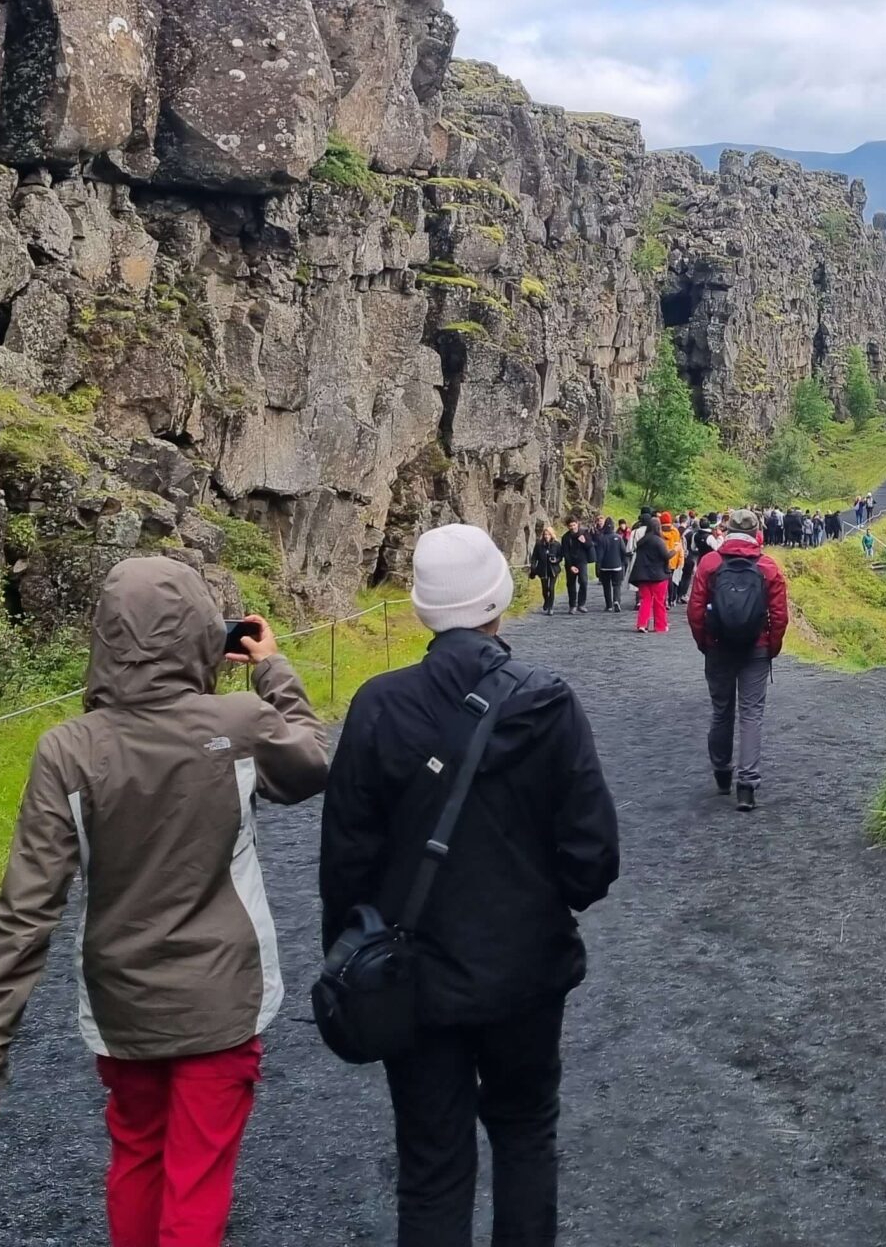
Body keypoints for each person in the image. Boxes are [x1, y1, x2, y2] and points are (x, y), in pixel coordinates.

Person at [0, 557, 330, 1247]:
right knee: (197, 1175)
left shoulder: (66, 750)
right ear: (199, 634)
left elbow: (26, 909)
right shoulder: (243, 720)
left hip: (121, 1002)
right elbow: (312, 762)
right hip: (224, 996)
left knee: (137, 1155)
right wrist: (272, 669)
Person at [320, 524, 621, 1247]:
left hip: (414, 978)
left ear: (421, 607)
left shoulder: (377, 706)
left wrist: (353, 952)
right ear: (499, 598)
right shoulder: (549, 703)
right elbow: (594, 853)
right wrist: (552, 901)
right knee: (525, 1136)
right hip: (527, 971)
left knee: (431, 1165)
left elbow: (345, 861)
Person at [686, 509, 790, 813]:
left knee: (721, 711)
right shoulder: (768, 567)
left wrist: (704, 643)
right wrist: (771, 647)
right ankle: (746, 786)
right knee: (751, 715)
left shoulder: (709, 563)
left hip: (717, 647)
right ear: (757, 531)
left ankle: (722, 774)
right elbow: (780, 616)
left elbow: (694, 611)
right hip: (755, 650)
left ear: (727, 530)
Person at [629, 514, 673, 634]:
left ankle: (642, 624)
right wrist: (676, 550)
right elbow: (666, 556)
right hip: (658, 575)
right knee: (659, 601)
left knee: (645, 601)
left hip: (643, 575)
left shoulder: (641, 542)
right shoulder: (658, 541)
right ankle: (660, 626)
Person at [592, 516, 628, 614]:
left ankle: (608, 605)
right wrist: (624, 563)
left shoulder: (601, 539)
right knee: (617, 585)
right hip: (617, 565)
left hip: (605, 566)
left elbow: (599, 554)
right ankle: (616, 600)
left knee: (606, 586)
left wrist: (598, 566)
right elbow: (623, 551)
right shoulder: (618, 538)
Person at [559, 518, 591, 613]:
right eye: (570, 526)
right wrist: (570, 566)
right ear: (568, 526)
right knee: (571, 584)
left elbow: (590, 546)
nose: (572, 527)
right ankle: (572, 605)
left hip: (582, 562)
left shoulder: (584, 533)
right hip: (571, 563)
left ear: (577, 524)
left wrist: (584, 542)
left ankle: (581, 604)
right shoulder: (565, 537)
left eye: (574, 525)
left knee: (584, 582)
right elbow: (565, 553)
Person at [528, 523, 561, 614]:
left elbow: (560, 556)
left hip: (553, 569)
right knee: (545, 588)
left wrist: (556, 560)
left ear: (552, 535)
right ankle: (546, 601)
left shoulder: (557, 544)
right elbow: (534, 557)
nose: (546, 536)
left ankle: (551, 607)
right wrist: (533, 567)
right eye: (545, 534)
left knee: (551, 588)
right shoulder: (539, 544)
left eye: (548, 534)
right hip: (542, 569)